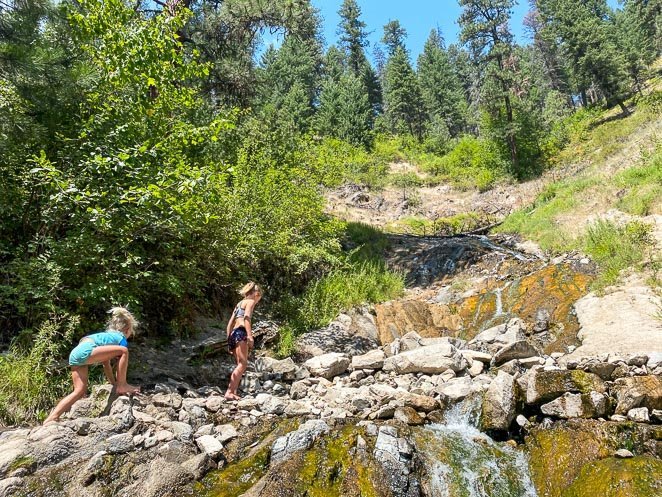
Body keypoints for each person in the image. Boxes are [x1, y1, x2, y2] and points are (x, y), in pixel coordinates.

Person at [44, 307, 141, 424]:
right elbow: (121, 354)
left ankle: (53, 417)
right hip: (87, 349)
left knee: (79, 391)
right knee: (124, 350)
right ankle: (123, 384)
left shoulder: (106, 337)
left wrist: (114, 384)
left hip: (75, 353)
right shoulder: (121, 338)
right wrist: (120, 386)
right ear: (127, 330)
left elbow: (106, 364)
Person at [225, 282, 262, 400]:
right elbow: (246, 318)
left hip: (233, 334)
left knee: (240, 364)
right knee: (243, 364)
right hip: (241, 333)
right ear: (257, 294)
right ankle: (229, 392)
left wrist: (229, 340)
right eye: (259, 298)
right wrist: (250, 336)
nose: (258, 300)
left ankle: (233, 391)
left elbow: (230, 322)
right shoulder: (250, 302)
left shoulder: (239, 303)